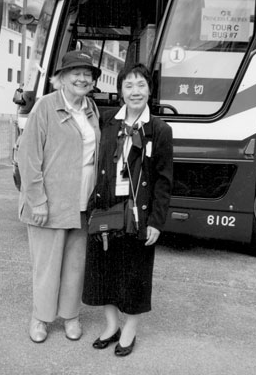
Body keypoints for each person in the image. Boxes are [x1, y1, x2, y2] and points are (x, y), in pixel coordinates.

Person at [82, 63, 173, 356]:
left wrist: (156, 222)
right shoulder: (107, 121)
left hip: (139, 213)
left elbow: (163, 180)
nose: (135, 92)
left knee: (135, 273)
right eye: (129, 85)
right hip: (107, 208)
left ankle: (130, 329)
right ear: (120, 90)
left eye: (141, 85)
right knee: (105, 270)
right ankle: (111, 325)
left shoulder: (159, 130)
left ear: (150, 90)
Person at [17, 50, 101, 343]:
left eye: (87, 74)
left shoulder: (91, 108)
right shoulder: (45, 107)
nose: (82, 78)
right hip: (49, 203)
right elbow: (28, 157)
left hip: (82, 202)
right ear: (61, 78)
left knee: (75, 264)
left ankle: (70, 316)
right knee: (47, 266)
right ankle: (40, 318)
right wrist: (37, 200)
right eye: (75, 73)